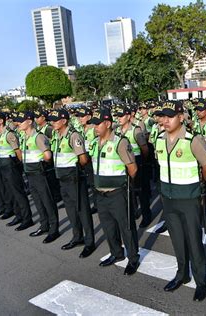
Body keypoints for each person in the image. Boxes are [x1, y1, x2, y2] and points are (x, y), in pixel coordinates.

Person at [156, 101, 206, 302]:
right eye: (163, 116)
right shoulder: (159, 139)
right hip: (169, 199)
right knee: (177, 240)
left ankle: (201, 282)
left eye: (170, 116)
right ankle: (182, 274)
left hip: (189, 198)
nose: (165, 120)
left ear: (181, 117)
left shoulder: (192, 140)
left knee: (194, 242)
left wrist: (196, 186)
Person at [89, 108, 140, 275]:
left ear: (108, 124)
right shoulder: (95, 142)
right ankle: (116, 253)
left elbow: (132, 168)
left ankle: (133, 258)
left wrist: (124, 184)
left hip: (117, 192)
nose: (94, 127)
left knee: (126, 227)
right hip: (100, 193)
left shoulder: (120, 142)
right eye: (93, 124)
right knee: (108, 226)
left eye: (98, 124)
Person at [49, 109, 96, 257]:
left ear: (64, 121)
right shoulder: (56, 135)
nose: (52, 122)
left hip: (73, 177)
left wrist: (76, 171)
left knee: (82, 210)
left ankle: (89, 242)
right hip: (62, 178)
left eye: (55, 120)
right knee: (70, 210)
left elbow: (83, 159)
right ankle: (77, 237)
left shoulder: (73, 135)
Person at [15, 111, 60, 236]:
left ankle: (54, 228)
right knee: (38, 201)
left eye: (21, 120)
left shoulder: (38, 136)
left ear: (29, 121)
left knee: (47, 201)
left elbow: (47, 155)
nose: (18, 123)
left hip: (39, 173)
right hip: (30, 172)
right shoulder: (25, 137)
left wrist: (40, 163)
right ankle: (44, 225)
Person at [0, 111, 33, 227]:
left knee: (18, 192)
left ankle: (27, 218)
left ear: (0, 121)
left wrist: (20, 166)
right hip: (3, 165)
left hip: (11, 166)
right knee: (10, 191)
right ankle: (18, 215)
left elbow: (18, 152)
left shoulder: (9, 134)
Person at [114, 105, 152, 228]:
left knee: (141, 191)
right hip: (123, 164)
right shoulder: (117, 131)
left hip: (137, 162)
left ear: (129, 116)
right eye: (117, 116)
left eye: (121, 116)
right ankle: (134, 211)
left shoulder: (136, 130)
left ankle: (147, 215)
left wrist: (142, 163)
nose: (119, 119)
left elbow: (144, 149)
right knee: (129, 191)